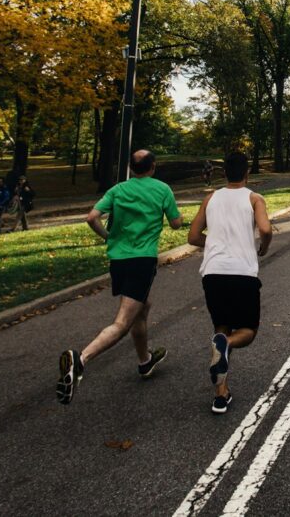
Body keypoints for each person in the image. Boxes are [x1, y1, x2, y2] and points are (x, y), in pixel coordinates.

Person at [55, 150, 183, 405]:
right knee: (123, 321)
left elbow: (92, 217)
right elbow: (176, 224)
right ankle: (80, 360)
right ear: (153, 166)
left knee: (142, 308)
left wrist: (108, 237)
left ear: (131, 168)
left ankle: (144, 361)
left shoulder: (118, 190)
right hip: (142, 260)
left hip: (118, 260)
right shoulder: (162, 189)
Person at [187, 151, 272, 414]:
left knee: (221, 328)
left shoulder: (210, 198)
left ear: (224, 173)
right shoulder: (254, 198)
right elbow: (266, 229)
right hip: (242, 272)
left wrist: (212, 244)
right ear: (247, 173)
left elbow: (192, 236)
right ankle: (228, 346)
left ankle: (220, 395)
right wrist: (264, 247)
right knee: (247, 330)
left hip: (213, 273)